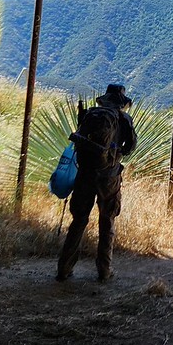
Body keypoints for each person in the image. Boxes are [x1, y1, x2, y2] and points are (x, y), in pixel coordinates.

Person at [57, 83, 137, 282]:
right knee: (107, 220)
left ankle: (64, 269)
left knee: (78, 221)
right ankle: (104, 270)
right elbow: (131, 147)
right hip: (108, 176)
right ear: (121, 102)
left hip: (84, 174)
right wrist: (115, 154)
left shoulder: (89, 115)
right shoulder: (123, 118)